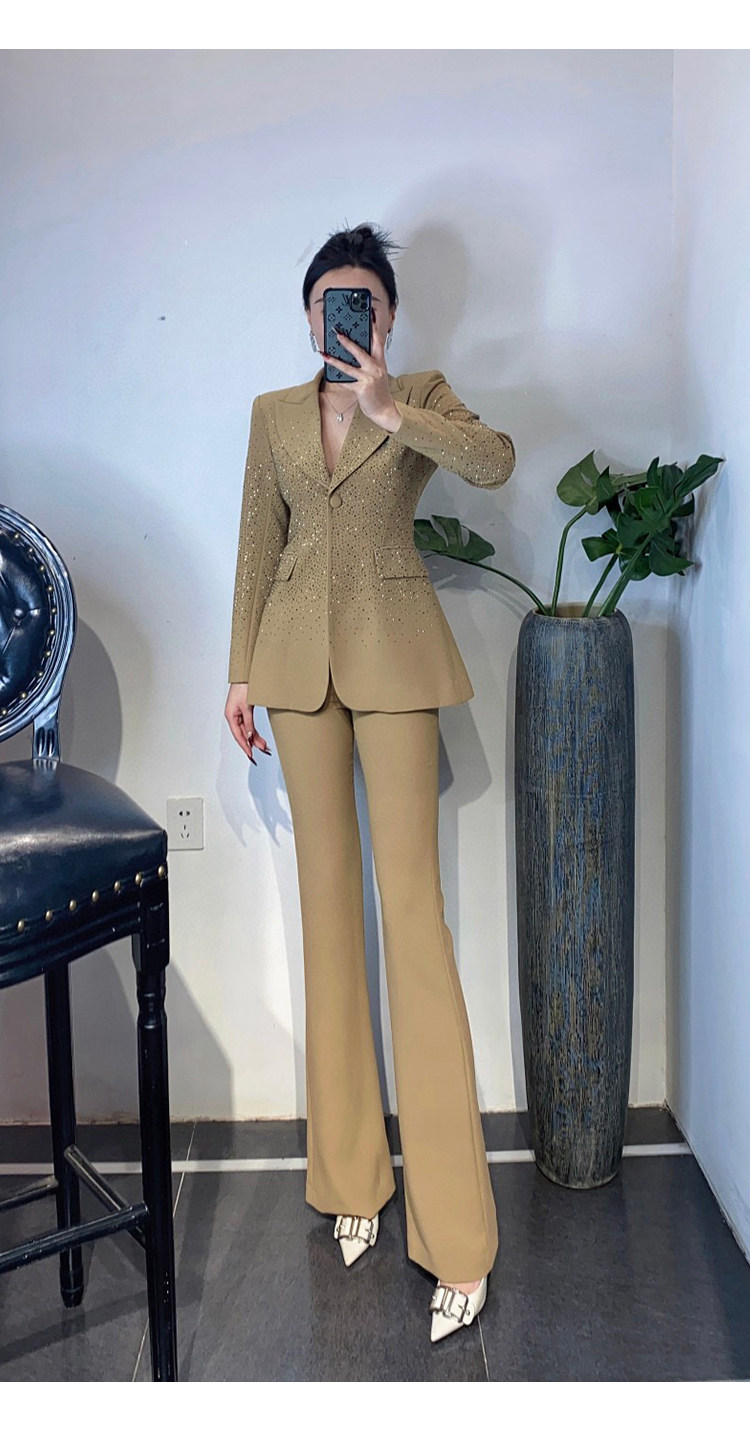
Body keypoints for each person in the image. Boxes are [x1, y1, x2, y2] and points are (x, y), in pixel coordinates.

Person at [224, 222, 516, 1343]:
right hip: (296, 671)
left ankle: (458, 1234)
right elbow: (257, 543)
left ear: (387, 317)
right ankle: (352, 1177)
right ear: (308, 315)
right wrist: (239, 673)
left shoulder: (421, 395)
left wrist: (392, 408)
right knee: (328, 918)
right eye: (330, 304)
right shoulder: (272, 415)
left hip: (395, 663)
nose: (346, 318)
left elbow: (495, 462)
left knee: (414, 925)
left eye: (366, 304)